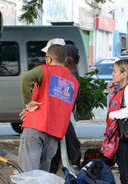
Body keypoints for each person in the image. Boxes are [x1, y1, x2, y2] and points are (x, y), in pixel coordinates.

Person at [18, 44, 79, 172]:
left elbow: (26, 78)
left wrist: (28, 102)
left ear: (49, 59)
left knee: (28, 172)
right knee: (43, 173)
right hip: (54, 133)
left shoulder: (44, 70)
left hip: (36, 126)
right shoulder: (73, 81)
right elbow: (63, 104)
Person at [50, 43, 82, 173]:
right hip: (64, 121)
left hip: (62, 121)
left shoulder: (69, 77)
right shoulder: (72, 75)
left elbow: (58, 101)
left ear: (68, 60)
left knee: (56, 157)